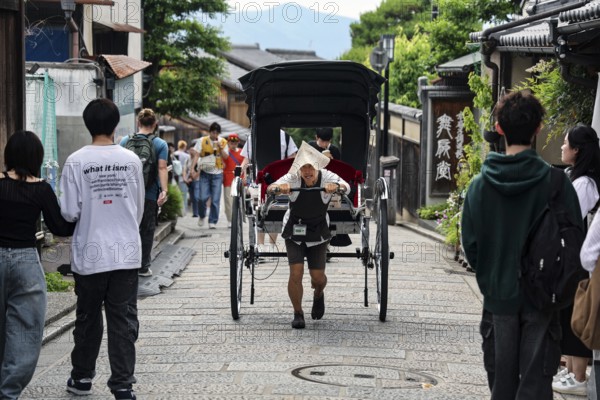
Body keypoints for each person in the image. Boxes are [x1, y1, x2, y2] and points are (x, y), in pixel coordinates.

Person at [461, 90, 582, 400]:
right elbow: (574, 246)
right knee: (536, 390)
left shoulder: (479, 186)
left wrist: (495, 273)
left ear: (499, 128)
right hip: (542, 302)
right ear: (538, 128)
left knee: (501, 389)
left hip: (498, 299)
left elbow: (472, 250)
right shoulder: (557, 184)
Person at [60, 98, 145, 400]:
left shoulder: (75, 161)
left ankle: (82, 379)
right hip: (125, 252)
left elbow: (69, 212)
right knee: (122, 319)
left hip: (90, 253)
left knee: (88, 318)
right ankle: (123, 385)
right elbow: (137, 210)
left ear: (87, 124)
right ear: (114, 125)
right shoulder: (131, 159)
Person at [0, 131, 75, 399]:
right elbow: (60, 227)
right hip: (25, 262)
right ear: (37, 158)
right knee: (26, 330)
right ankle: (7, 392)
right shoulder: (41, 188)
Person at [266, 142, 350, 329]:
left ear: (317, 166)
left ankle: (318, 294)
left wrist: (335, 186)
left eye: (310, 166)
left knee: (318, 278)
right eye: (303, 167)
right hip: (294, 229)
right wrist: (280, 189)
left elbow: (346, 186)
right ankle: (298, 313)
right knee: (296, 272)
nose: (307, 171)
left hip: (319, 230)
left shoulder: (327, 176)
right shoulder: (293, 177)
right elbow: (271, 186)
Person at [553, 124, 600, 395]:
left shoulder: (585, 183)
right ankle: (571, 372)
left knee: (578, 314)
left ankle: (579, 376)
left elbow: (568, 218)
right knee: (571, 314)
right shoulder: (580, 178)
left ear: (577, 150)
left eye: (566, 143)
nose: (561, 146)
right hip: (578, 257)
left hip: (581, 259)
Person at [119, 109, 169, 277]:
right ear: (155, 124)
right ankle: (143, 266)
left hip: (127, 194)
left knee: (127, 227)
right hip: (148, 193)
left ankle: (126, 263)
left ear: (138, 123)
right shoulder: (160, 144)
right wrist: (164, 190)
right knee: (146, 229)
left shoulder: (125, 141)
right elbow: (162, 168)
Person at [241, 129, 298, 249]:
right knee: (262, 209)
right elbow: (246, 159)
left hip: (280, 179)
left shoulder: (285, 137)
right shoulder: (253, 137)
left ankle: (270, 244)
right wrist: (243, 174)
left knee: (276, 209)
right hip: (259, 178)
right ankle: (262, 245)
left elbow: (292, 159)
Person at [191, 122, 228, 229]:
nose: (214, 134)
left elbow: (226, 157)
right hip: (205, 172)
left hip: (217, 173)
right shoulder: (202, 140)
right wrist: (192, 168)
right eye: (213, 132)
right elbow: (197, 154)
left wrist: (220, 148)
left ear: (219, 133)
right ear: (210, 131)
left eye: (217, 132)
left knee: (215, 199)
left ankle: (212, 220)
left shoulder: (223, 142)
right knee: (202, 197)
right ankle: (202, 215)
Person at [222, 133, 245, 228]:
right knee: (228, 199)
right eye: (231, 142)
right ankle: (230, 219)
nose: (233, 143)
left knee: (240, 199)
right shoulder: (226, 152)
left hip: (239, 177)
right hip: (228, 177)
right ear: (228, 142)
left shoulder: (242, 152)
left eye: (235, 142)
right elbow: (223, 159)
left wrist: (245, 178)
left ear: (238, 142)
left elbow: (246, 166)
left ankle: (240, 216)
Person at [174, 140, 190, 216]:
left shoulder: (174, 154)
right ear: (184, 146)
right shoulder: (187, 156)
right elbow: (187, 168)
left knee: (177, 195)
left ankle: (177, 211)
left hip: (175, 177)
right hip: (184, 178)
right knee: (184, 194)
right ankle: (184, 211)